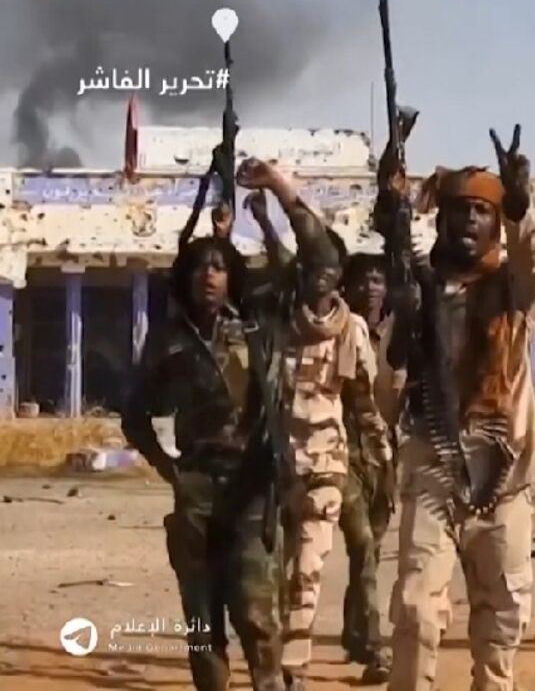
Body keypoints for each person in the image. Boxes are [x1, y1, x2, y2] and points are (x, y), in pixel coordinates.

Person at [384, 126, 535, 691]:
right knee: (414, 610)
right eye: (461, 210)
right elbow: (390, 388)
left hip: (503, 475)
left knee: (501, 619)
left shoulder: (514, 291)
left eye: (484, 211)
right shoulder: (418, 289)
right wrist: (406, 320)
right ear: (441, 220)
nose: (472, 222)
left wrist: (520, 205)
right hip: (435, 468)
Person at [123, 170, 287, 691]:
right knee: (201, 622)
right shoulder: (166, 342)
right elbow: (134, 416)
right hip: (196, 487)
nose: (209, 276)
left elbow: (296, 274)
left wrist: (259, 221)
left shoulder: (257, 329)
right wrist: (172, 471)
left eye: (219, 267)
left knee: (257, 613)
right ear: (185, 279)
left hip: (251, 485)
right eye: (199, 268)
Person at [234, 161, 395, 690]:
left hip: (329, 466)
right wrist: (260, 216)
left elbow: (366, 406)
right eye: (311, 273)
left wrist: (383, 462)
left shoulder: (348, 331)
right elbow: (292, 251)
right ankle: (273, 664)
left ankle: (298, 668)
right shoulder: (280, 319)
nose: (318, 279)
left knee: (311, 569)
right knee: (273, 576)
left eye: (327, 274)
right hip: (276, 466)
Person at [337, 251, 402, 683]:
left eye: (378, 279)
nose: (370, 287)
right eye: (362, 280)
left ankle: (354, 632)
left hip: (387, 457)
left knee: (372, 551)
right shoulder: (337, 330)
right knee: (361, 543)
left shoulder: (401, 335)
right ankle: (376, 646)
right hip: (343, 454)